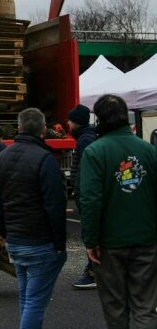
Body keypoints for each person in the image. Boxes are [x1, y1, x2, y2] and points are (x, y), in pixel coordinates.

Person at [80, 94, 157, 328]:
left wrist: (90, 240)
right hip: (147, 239)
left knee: (116, 309)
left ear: (99, 119)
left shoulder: (94, 152)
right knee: (145, 306)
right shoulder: (148, 150)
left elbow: (91, 200)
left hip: (109, 243)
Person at [0, 107, 67, 329]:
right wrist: (60, 245)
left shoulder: (2, 158)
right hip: (40, 242)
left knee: (26, 298)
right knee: (34, 302)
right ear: (44, 130)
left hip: (15, 240)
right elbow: (55, 206)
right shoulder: (46, 160)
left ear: (19, 128)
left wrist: (5, 233)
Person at [66, 104, 98, 290]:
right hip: (84, 194)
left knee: (90, 234)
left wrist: (80, 195)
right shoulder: (87, 137)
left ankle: (93, 272)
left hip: (85, 195)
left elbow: (87, 172)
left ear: (76, 122)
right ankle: (93, 270)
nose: (68, 124)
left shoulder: (85, 140)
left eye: (70, 120)